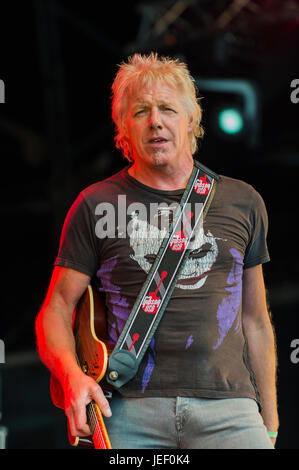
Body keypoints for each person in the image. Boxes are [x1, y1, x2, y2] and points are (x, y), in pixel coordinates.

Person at [35, 52, 279, 449]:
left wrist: (269, 421)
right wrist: (72, 377)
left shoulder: (242, 200)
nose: (155, 121)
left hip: (229, 407)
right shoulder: (95, 204)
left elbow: (255, 320)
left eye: (167, 108)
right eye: (140, 112)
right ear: (123, 128)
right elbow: (56, 310)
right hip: (128, 409)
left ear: (191, 120)